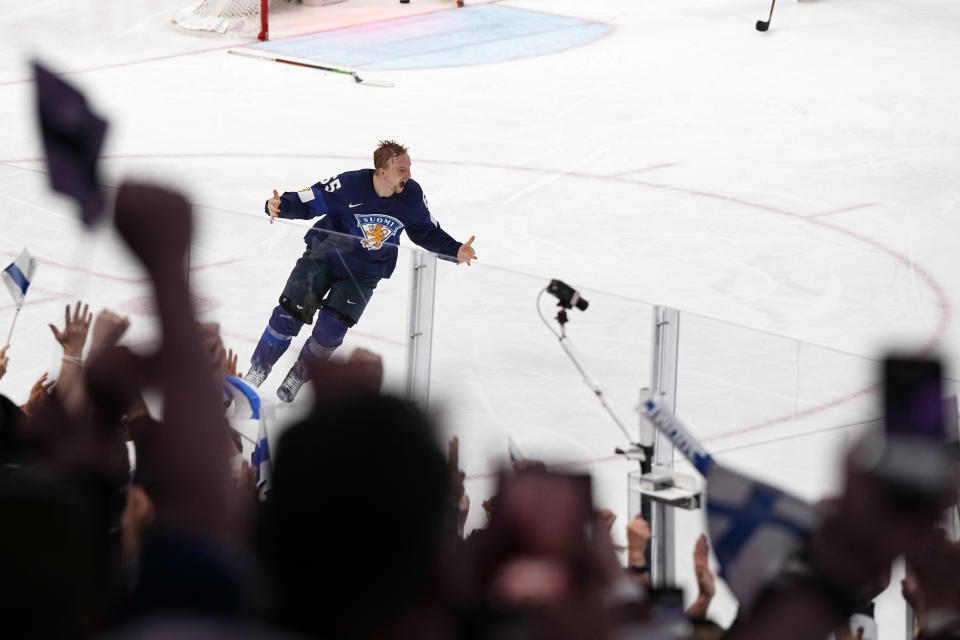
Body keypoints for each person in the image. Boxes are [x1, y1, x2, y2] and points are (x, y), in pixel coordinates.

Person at [243, 140, 477, 402]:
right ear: (382, 171)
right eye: (402, 169)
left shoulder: (412, 196)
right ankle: (257, 370)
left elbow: (426, 231)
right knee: (290, 311)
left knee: (331, 331)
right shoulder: (349, 185)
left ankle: (299, 374)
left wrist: (455, 250)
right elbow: (312, 199)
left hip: (365, 272)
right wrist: (281, 205)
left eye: (409, 168)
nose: (408, 175)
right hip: (324, 256)